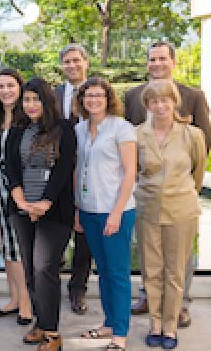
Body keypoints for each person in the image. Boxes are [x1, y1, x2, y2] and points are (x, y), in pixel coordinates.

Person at [124, 41, 211, 327]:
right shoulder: (133, 96)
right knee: (149, 255)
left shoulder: (193, 96)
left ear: (173, 62)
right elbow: (128, 147)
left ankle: (181, 304)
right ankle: (148, 297)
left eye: (163, 58)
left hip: (180, 191)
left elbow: (204, 144)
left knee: (181, 257)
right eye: (152, 59)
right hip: (147, 193)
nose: (157, 63)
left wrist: (187, 185)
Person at [135, 80, 206, 350]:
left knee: (175, 272)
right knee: (151, 270)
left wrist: (184, 193)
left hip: (182, 211)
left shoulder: (192, 135)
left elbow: (198, 174)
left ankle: (170, 326)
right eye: (154, 101)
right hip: (147, 210)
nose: (160, 106)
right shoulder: (137, 134)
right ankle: (154, 324)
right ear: (148, 105)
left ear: (174, 102)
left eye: (165, 100)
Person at [7, 78, 76, 351]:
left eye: (36, 99)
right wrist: (21, 200)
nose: (31, 105)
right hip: (22, 209)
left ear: (47, 101)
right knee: (29, 271)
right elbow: (11, 169)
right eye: (26, 100)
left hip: (54, 210)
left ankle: (52, 333)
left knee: (44, 268)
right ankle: (41, 321)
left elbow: (63, 169)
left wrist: (45, 202)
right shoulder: (17, 130)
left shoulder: (64, 129)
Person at [73, 78, 137, 351]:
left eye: (99, 95)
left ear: (108, 98)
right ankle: (109, 323)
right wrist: (78, 208)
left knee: (118, 273)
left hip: (116, 211)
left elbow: (130, 172)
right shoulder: (79, 130)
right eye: (88, 96)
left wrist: (116, 212)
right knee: (103, 272)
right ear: (82, 100)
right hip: (88, 210)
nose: (93, 100)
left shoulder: (121, 128)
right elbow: (77, 171)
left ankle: (120, 334)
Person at [0, 69, 33, 325]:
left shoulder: (27, 119)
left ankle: (25, 301)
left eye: (10, 85)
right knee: (5, 246)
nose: (5, 91)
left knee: (17, 247)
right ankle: (13, 297)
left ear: (20, 87)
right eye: (0, 87)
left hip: (18, 190)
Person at [52, 43, 93, 315]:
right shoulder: (53, 93)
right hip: (58, 172)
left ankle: (78, 288)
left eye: (76, 61)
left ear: (85, 62)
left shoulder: (98, 91)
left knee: (85, 235)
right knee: (56, 230)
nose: (72, 65)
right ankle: (50, 284)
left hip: (89, 170)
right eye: (67, 61)